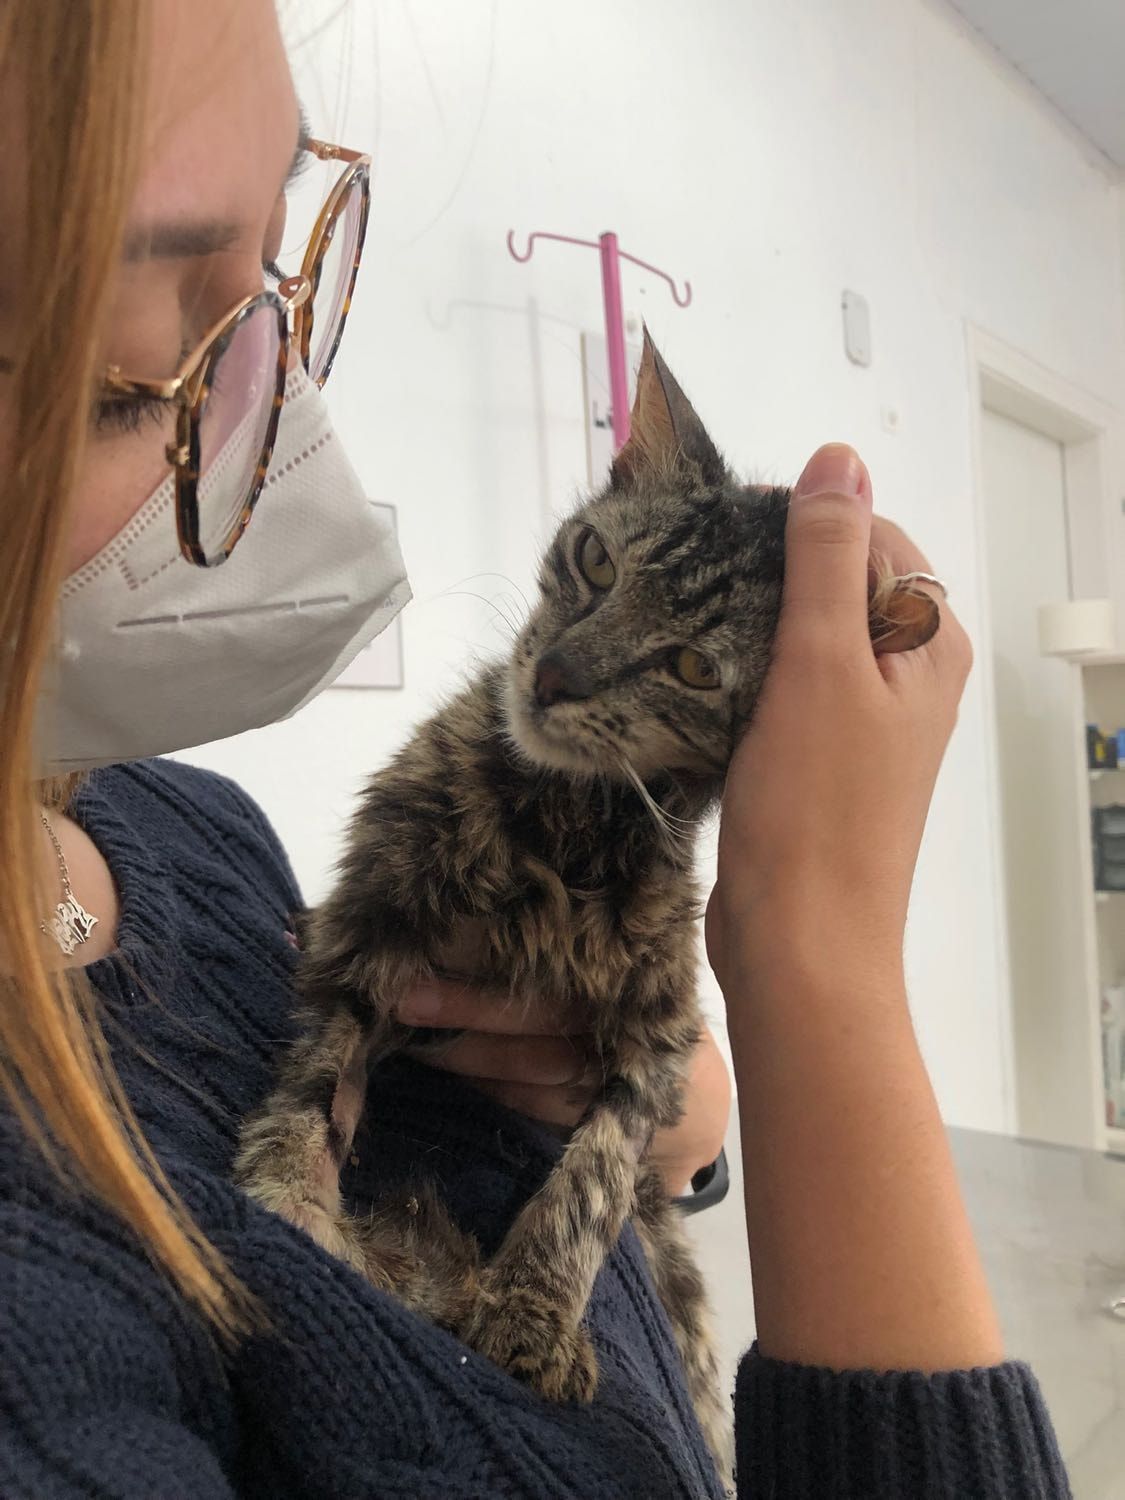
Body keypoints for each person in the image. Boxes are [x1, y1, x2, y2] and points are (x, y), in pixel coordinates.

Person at [0, 3, 1069, 1497]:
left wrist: (679, 1122)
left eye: (285, 279)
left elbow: (446, 1056)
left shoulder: (193, 833)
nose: (275, 423)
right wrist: (822, 976)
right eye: (130, 375)